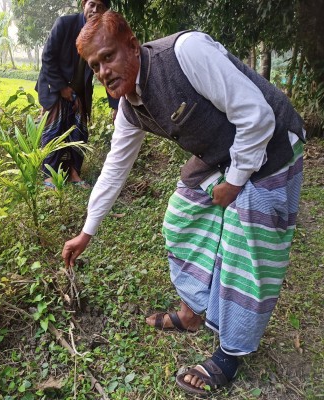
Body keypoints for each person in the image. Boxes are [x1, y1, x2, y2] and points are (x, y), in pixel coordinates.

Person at [62, 10, 305, 395]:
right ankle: (193, 312)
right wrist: (86, 233)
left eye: (108, 57)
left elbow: (257, 115)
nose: (103, 71)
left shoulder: (186, 53)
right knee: (181, 217)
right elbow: (113, 170)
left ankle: (229, 354)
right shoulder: (130, 107)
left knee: (246, 252)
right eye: (94, 66)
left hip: (273, 145)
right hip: (223, 153)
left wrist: (235, 182)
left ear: (131, 44)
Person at [36, 0, 118, 189]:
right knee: (54, 129)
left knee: (79, 131)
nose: (95, 10)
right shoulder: (64, 24)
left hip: (79, 91)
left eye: (100, 6)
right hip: (54, 86)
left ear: (106, 11)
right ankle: (49, 175)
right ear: (84, 5)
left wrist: (115, 105)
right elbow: (47, 57)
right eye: (91, 4)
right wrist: (62, 88)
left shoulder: (102, 36)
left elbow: (107, 70)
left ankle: (74, 173)